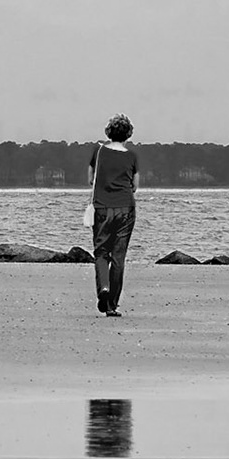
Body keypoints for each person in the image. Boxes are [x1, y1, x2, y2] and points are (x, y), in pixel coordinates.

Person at [87, 113, 139, 316]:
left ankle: (103, 288)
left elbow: (90, 179)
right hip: (126, 208)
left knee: (101, 252)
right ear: (128, 134)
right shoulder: (132, 157)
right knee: (119, 256)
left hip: (102, 207)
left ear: (108, 131)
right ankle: (112, 305)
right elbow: (135, 186)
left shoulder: (98, 152)